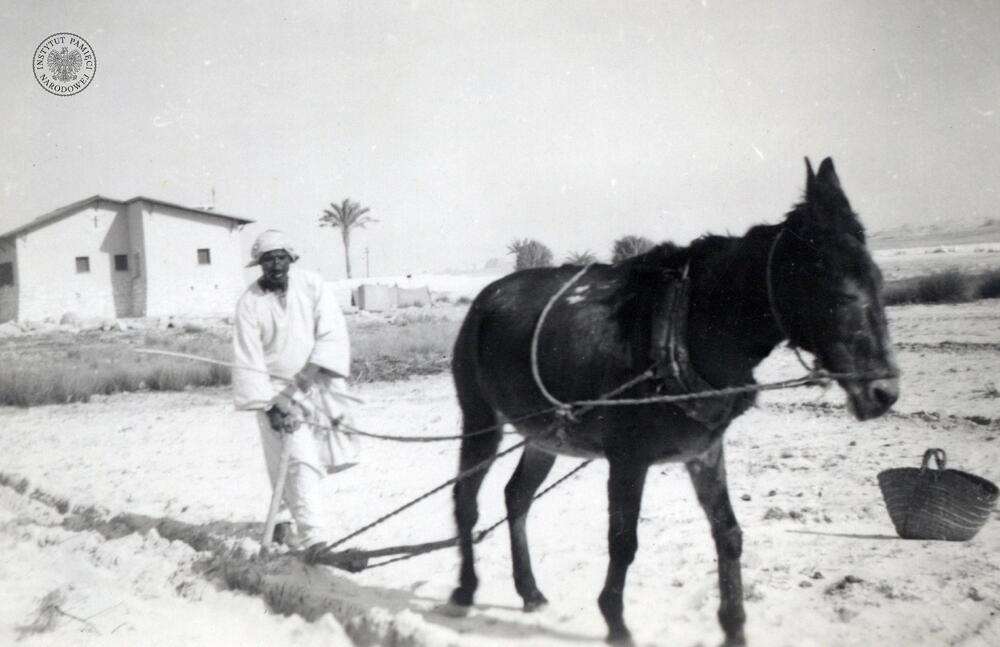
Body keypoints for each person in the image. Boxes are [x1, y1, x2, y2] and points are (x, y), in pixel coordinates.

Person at [232, 229, 359, 556]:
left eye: (281, 257)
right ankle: (315, 539)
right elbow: (249, 359)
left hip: (316, 383)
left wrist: (304, 379)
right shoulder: (249, 303)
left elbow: (331, 332)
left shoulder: (312, 285)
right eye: (268, 259)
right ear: (258, 263)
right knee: (299, 461)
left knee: (310, 459)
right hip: (275, 394)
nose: (275, 265)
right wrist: (270, 406)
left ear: (290, 259)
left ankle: (281, 521)